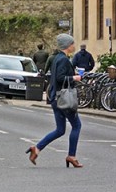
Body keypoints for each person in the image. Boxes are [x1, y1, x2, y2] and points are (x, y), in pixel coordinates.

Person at [26, 33, 83, 168]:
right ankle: (71, 155)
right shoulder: (63, 59)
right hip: (63, 98)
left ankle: (37, 149)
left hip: (54, 97)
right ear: (68, 46)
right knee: (77, 125)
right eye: (73, 43)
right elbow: (59, 78)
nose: (74, 45)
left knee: (60, 129)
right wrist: (74, 78)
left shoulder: (57, 58)